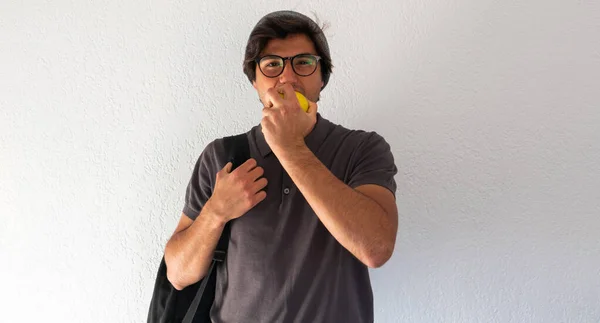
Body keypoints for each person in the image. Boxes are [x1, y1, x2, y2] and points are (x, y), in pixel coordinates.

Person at [164, 10, 398, 323]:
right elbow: (178, 274)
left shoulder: (362, 148)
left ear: (322, 76)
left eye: (303, 62)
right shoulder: (222, 156)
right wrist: (216, 212)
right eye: (272, 64)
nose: (287, 78)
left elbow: (376, 248)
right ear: (254, 80)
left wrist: (290, 148)